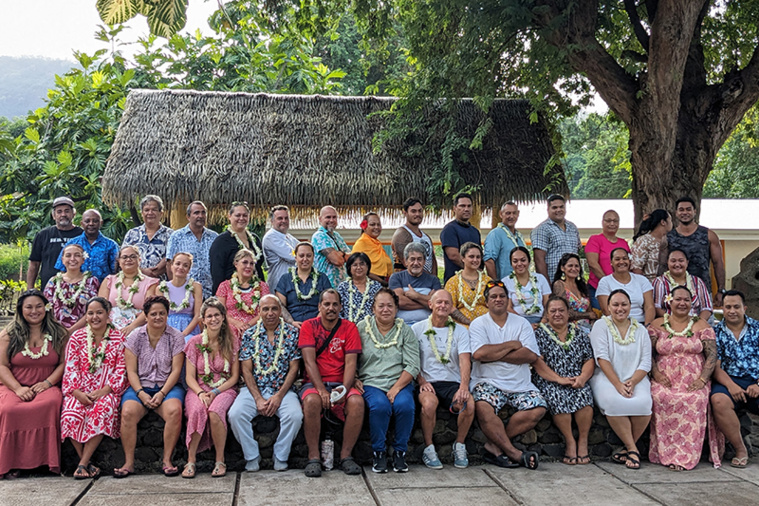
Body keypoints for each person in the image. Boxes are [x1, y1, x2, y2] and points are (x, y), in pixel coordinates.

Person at [470, 280, 545, 470]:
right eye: (493, 296)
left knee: (538, 408)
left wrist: (493, 355)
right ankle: (514, 453)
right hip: (487, 381)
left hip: (519, 383)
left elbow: (529, 355)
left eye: (502, 296)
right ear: (486, 301)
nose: (498, 299)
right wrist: (512, 345)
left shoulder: (521, 323)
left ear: (508, 299)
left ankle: (494, 446)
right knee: (483, 408)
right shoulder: (478, 324)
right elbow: (479, 354)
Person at [229, 295, 303, 472]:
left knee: (295, 416)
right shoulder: (249, 335)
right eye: (266, 309)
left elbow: (294, 369)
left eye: (274, 309)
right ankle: (252, 455)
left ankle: (281, 455)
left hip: (282, 390)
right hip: (254, 389)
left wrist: (279, 396)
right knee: (235, 414)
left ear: (280, 311)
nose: (270, 313)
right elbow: (246, 369)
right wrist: (257, 398)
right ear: (259, 312)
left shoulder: (292, 333)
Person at [114, 296, 185, 478]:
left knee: (174, 411)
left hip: (167, 387)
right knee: (128, 412)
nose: (158, 317)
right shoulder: (135, 336)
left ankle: (167, 460)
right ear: (145, 316)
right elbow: (131, 371)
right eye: (153, 314)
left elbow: (176, 370)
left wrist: (161, 394)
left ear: (167, 315)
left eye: (162, 313)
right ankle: (129, 462)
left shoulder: (175, 337)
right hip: (140, 386)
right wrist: (140, 393)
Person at [648, 286, 718, 471]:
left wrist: (702, 380)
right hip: (665, 378)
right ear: (669, 301)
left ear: (691, 303)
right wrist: (656, 374)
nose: (682, 303)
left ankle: (685, 456)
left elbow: (712, 355)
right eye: (678, 299)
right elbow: (648, 354)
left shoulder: (702, 325)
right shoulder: (657, 325)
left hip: (693, 380)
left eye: (686, 300)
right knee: (660, 397)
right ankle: (666, 453)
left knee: (694, 400)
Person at [0, 290, 67, 478]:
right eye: (28, 307)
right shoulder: (9, 333)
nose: (34, 311)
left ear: (46, 308)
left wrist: (48, 382)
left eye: (39, 306)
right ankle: (12, 463)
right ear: (21, 309)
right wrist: (17, 388)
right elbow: (2, 366)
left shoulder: (59, 332)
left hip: (46, 385)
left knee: (50, 404)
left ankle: (45, 463)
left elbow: (64, 363)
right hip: (14, 385)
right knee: (9, 410)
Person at [299, 289, 365, 477]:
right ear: (319, 306)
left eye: (335, 304)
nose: (331, 308)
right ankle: (313, 457)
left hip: (340, 381)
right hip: (314, 382)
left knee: (357, 402)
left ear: (341, 307)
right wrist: (321, 390)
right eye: (326, 304)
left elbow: (351, 362)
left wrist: (344, 389)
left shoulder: (349, 327)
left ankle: (346, 455)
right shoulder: (308, 326)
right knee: (312, 401)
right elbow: (309, 362)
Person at [61, 297, 127, 479]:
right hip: (79, 389)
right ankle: (87, 464)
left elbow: (122, 369)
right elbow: (71, 367)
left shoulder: (119, 338)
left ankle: (82, 464)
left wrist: (103, 391)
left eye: (99, 312)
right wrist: (76, 393)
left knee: (101, 411)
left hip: (107, 390)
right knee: (70, 414)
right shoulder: (77, 337)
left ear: (108, 315)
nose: (95, 317)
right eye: (90, 313)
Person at [355, 289, 420, 473]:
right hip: (371, 382)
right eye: (381, 306)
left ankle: (400, 452)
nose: (385, 310)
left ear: (396, 308)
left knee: (405, 406)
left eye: (390, 306)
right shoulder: (362, 328)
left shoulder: (405, 330)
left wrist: (396, 388)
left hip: (399, 381)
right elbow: (350, 357)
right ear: (373, 308)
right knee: (380, 407)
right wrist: (354, 378)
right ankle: (379, 452)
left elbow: (413, 365)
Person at [589, 289, 652, 470]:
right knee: (614, 403)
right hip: (607, 378)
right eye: (615, 304)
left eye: (624, 304)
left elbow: (646, 362)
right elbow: (601, 358)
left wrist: (632, 381)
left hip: (636, 378)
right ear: (608, 307)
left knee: (644, 404)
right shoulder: (601, 326)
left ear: (630, 306)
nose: (620, 308)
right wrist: (617, 384)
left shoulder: (640, 330)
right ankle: (633, 448)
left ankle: (627, 449)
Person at [413, 290, 473, 469]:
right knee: (429, 404)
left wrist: (464, 386)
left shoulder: (461, 331)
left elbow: (464, 360)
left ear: (451, 307)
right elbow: (411, 360)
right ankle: (429, 448)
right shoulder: (417, 328)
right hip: (427, 382)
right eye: (439, 302)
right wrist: (421, 381)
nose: (443, 306)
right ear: (430, 305)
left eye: (447, 303)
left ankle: (459, 445)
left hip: (452, 383)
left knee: (468, 404)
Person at [532, 296, 595, 465]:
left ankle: (583, 440)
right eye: (553, 311)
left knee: (584, 396)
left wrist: (582, 378)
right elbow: (538, 363)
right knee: (558, 396)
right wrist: (558, 380)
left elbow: (589, 359)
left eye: (561, 310)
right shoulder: (539, 334)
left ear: (568, 313)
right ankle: (570, 441)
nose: (557, 314)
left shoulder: (580, 334)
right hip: (550, 379)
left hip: (576, 377)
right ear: (547, 314)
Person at [182, 298, 240, 478]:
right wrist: (200, 393)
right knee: (198, 409)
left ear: (223, 317)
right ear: (203, 320)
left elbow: (234, 377)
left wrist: (215, 392)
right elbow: (189, 377)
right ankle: (191, 460)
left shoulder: (232, 340)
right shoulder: (195, 342)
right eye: (209, 316)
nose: (213, 319)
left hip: (224, 388)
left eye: (217, 315)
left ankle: (220, 460)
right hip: (198, 388)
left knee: (215, 411)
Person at [710, 290, 759, 469]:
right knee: (718, 401)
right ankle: (740, 450)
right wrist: (731, 385)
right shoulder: (715, 333)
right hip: (728, 380)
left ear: (744, 308)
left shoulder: (757, 328)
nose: (732, 311)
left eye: (736, 307)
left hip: (756, 380)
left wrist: (758, 384)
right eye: (728, 307)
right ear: (722, 309)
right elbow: (715, 366)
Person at [668, 196, 726, 305]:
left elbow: (718, 263)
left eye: (688, 209)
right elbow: (662, 265)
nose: (685, 212)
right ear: (676, 213)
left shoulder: (709, 235)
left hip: (703, 291)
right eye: (681, 210)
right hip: (676, 293)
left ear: (695, 211)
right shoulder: (668, 237)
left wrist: (721, 290)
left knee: (704, 322)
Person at [99, 245, 160, 337]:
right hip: (109, 326)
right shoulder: (109, 280)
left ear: (139, 260)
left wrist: (131, 327)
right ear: (119, 262)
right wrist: (110, 326)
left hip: (138, 328)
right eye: (124, 257)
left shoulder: (150, 283)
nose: (128, 259)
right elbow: (100, 307)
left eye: (133, 257)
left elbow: (150, 309)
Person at [27, 196, 83, 289]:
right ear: (53, 215)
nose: (63, 214)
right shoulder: (43, 235)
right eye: (59, 212)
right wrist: (30, 289)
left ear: (74, 214)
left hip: (78, 288)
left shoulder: (82, 235)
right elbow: (34, 264)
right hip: (49, 289)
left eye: (67, 211)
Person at [166, 201, 218, 300]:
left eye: (203, 213)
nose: (201, 216)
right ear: (188, 217)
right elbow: (169, 264)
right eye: (196, 213)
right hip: (186, 292)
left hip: (210, 292)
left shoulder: (214, 237)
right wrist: (176, 289)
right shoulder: (176, 236)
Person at [210, 202, 265, 294]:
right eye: (238, 215)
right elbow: (217, 272)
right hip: (232, 292)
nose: (241, 218)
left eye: (245, 215)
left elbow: (259, 266)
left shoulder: (254, 239)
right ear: (229, 216)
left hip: (255, 289)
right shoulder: (221, 241)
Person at [44, 243, 100, 331]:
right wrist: (59, 330)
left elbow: (94, 309)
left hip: (83, 332)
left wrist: (72, 330)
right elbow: (47, 308)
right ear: (62, 260)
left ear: (83, 260)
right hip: (56, 331)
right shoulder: (53, 282)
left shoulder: (92, 281)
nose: (72, 259)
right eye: (68, 255)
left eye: (77, 255)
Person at [276, 242, 332, 328]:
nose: (305, 259)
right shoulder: (285, 279)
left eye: (309, 256)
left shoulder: (322, 278)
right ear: (296, 258)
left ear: (313, 258)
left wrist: (315, 323)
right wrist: (292, 322)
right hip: (291, 327)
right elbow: (280, 306)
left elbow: (328, 303)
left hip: (317, 325)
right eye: (301, 256)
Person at [54, 209, 119, 282]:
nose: (91, 224)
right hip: (76, 289)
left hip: (103, 290)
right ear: (81, 224)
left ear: (101, 223)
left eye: (95, 221)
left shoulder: (111, 245)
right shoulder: (72, 244)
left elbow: (116, 271)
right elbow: (62, 269)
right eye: (87, 221)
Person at [216, 249, 270, 334]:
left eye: (251, 263)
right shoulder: (224, 286)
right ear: (236, 264)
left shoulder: (262, 286)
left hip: (256, 328)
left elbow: (266, 310)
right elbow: (220, 312)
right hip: (231, 329)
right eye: (245, 262)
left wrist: (248, 326)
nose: (248, 266)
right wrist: (237, 324)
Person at [596, 248, 655, 326]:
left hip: (640, 323)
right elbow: (606, 310)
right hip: (615, 325)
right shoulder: (605, 282)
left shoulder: (642, 280)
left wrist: (646, 327)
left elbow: (649, 306)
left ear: (629, 261)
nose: (621, 262)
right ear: (611, 262)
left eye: (625, 258)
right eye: (617, 259)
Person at [585, 210, 630, 308]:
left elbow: (628, 264)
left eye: (615, 221)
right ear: (602, 222)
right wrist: (609, 283)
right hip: (598, 287)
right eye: (608, 221)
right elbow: (592, 264)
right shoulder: (595, 240)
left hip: (621, 288)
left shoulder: (624, 243)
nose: (612, 224)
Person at [389, 242, 442, 326]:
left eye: (419, 259)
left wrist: (417, 296)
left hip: (427, 326)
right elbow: (400, 302)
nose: (416, 263)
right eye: (412, 259)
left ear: (424, 261)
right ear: (406, 261)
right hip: (402, 326)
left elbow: (438, 304)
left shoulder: (433, 280)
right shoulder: (396, 277)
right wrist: (428, 301)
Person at [530, 194, 581, 281]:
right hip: (553, 280)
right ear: (548, 209)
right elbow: (539, 260)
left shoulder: (572, 227)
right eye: (554, 207)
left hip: (573, 281)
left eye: (561, 207)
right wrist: (546, 286)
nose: (559, 210)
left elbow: (577, 251)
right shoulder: (542, 229)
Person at [122, 195, 173, 279]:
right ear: (142, 213)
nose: (150, 213)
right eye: (146, 210)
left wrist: (161, 267)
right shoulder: (132, 234)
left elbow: (174, 257)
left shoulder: (171, 235)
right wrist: (142, 271)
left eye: (154, 209)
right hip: (135, 284)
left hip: (161, 285)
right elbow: (123, 258)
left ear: (161, 213)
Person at [652, 249, 713, 320]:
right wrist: (673, 321)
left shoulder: (697, 282)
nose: (677, 264)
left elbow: (706, 308)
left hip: (694, 324)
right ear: (667, 262)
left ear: (687, 262)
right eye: (673, 261)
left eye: (681, 261)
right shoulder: (660, 281)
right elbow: (656, 307)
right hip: (668, 324)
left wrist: (697, 323)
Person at [157, 252, 203, 339]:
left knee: (187, 341)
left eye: (185, 265)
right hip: (167, 328)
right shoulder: (161, 288)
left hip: (189, 329)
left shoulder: (195, 287)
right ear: (171, 266)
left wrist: (183, 334)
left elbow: (198, 315)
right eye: (177, 264)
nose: (180, 267)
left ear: (189, 269)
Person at [445, 242, 491, 326]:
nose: (475, 260)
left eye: (478, 257)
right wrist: (470, 323)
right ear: (462, 258)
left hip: (486, 325)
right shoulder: (453, 282)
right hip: (462, 327)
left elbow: (494, 304)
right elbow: (450, 307)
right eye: (471, 257)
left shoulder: (488, 281)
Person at [503, 246, 551, 325]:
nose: (519, 264)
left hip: (541, 321)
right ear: (511, 263)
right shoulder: (506, 282)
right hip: (517, 322)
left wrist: (543, 322)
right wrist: (525, 324)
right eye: (515, 261)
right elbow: (508, 308)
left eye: (523, 260)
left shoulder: (540, 278)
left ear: (529, 261)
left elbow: (548, 304)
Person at [440, 193, 481, 283]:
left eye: (469, 206)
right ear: (454, 208)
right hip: (455, 282)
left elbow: (479, 256)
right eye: (462, 206)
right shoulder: (449, 229)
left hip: (475, 282)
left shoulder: (475, 231)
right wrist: (472, 270)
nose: (466, 209)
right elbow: (453, 256)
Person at [391, 197, 437, 275]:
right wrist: (428, 279)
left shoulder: (426, 237)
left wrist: (433, 279)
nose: (417, 214)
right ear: (405, 213)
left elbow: (432, 261)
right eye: (413, 211)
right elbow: (408, 263)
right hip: (409, 283)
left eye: (420, 211)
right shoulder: (401, 234)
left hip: (427, 283)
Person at [551, 253, 598, 329]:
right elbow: (564, 312)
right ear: (562, 268)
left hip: (587, 328)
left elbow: (590, 311)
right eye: (570, 266)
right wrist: (587, 315)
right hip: (569, 328)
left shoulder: (582, 286)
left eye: (576, 266)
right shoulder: (559, 285)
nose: (574, 269)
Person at [483, 201, 526, 280]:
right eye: (508, 213)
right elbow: (489, 260)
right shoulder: (495, 234)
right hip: (504, 285)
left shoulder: (519, 236)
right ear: (500, 214)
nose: (511, 216)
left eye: (514, 213)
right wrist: (497, 284)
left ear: (518, 214)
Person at [262, 205, 300, 294]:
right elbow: (293, 256)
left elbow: (304, 250)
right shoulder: (270, 237)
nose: (284, 221)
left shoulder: (289, 237)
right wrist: (301, 253)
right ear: (272, 221)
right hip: (279, 287)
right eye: (280, 218)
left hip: (292, 286)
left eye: (286, 218)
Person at [311, 206, 352, 288]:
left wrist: (341, 254)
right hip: (325, 286)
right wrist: (341, 256)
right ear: (320, 219)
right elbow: (337, 261)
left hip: (341, 286)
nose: (331, 220)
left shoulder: (337, 236)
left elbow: (351, 258)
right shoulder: (319, 236)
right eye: (328, 217)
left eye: (334, 217)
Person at [337, 252, 382, 323]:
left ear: (368, 267)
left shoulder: (376, 287)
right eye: (355, 265)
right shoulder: (343, 287)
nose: (359, 267)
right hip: (348, 329)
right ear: (349, 268)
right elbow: (338, 311)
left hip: (371, 328)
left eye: (362, 264)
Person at [351, 212, 393, 284]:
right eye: (372, 224)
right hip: (369, 285)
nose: (376, 227)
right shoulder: (361, 243)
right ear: (364, 227)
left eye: (378, 224)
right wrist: (381, 281)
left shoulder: (377, 243)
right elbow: (358, 269)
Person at [631, 209, 672, 282]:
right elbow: (636, 268)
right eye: (670, 220)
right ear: (663, 222)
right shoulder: (644, 241)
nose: (672, 223)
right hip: (649, 286)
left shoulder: (670, 241)